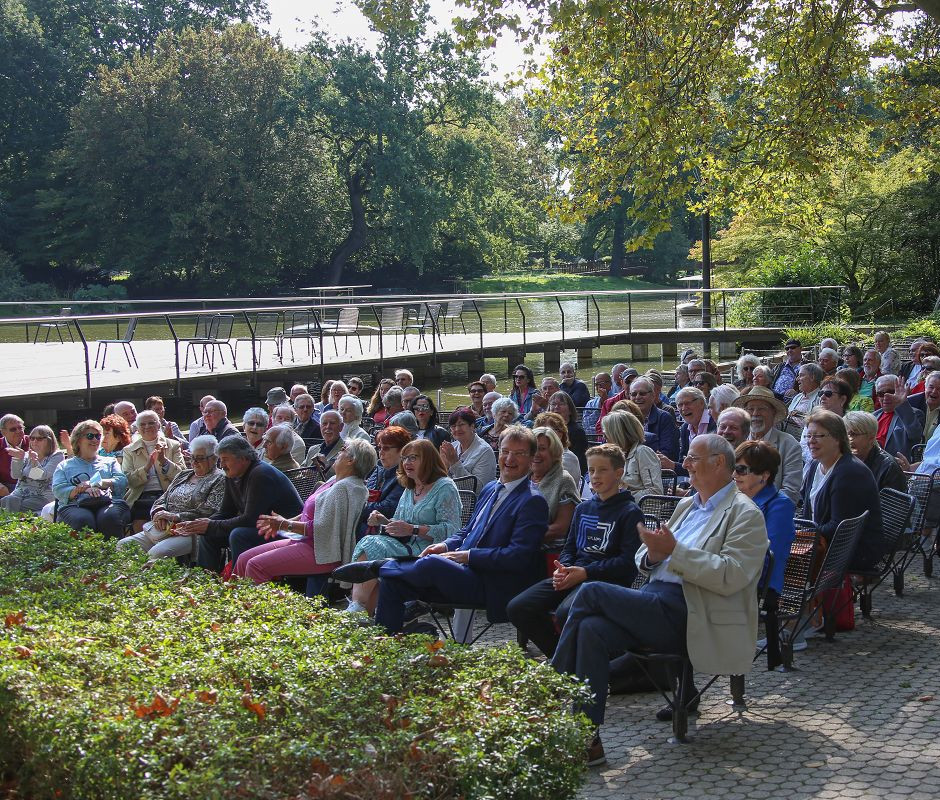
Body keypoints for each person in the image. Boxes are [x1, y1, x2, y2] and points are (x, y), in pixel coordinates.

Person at [551, 434, 768, 766]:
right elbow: (643, 556)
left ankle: (545, 691)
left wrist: (674, 552)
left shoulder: (745, 513)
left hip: (693, 611)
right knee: (591, 628)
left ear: (718, 463)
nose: (685, 465)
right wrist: (653, 555)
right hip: (653, 603)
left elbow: (733, 575)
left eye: (693, 459)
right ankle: (587, 737)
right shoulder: (687, 504)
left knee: (592, 591)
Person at [334, 426, 549, 634]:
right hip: (461, 571)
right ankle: (386, 646)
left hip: (490, 581)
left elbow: (518, 556)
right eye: (505, 452)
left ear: (531, 459)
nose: (510, 459)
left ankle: (379, 568)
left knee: (431, 563)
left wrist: (466, 556)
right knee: (393, 582)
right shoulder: (491, 489)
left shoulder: (532, 501)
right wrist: (445, 545)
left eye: (519, 454)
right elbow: (466, 532)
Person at [507, 444, 643, 658]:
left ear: (618, 473)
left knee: (565, 612)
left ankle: (575, 662)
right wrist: (565, 567)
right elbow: (569, 547)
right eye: (591, 470)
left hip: (604, 582)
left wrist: (586, 573)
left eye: (602, 470)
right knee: (518, 607)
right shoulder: (583, 508)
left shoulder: (630, 512)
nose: (595, 476)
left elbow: (627, 562)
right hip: (574, 574)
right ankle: (562, 658)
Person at [233, 439, 375, 584]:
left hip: (321, 551)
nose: (339, 452)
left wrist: (284, 524)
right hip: (304, 541)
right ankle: (230, 601)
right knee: (243, 559)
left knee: (255, 566)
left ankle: (254, 605)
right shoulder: (334, 480)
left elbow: (322, 528)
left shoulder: (345, 488)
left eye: (343, 449)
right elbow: (312, 512)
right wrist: (286, 521)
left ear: (351, 460)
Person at [346, 439, 462, 614]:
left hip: (430, 552)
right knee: (372, 548)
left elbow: (451, 531)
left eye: (413, 458)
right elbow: (400, 523)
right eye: (405, 458)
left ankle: (357, 607)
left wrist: (413, 529)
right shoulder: (410, 488)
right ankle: (362, 614)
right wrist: (383, 521)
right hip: (405, 547)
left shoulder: (445, 487)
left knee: (371, 545)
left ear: (429, 460)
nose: (407, 463)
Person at [180, 435, 303, 571]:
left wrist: (211, 525)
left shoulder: (260, 474)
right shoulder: (232, 474)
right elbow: (226, 512)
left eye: (225, 459)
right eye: (220, 460)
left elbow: (250, 519)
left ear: (243, 458)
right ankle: (206, 579)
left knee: (238, 534)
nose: (222, 465)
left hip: (286, 531)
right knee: (209, 534)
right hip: (263, 528)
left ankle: (239, 583)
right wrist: (199, 525)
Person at [116, 435, 226, 560]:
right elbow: (163, 498)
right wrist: (159, 514)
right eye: (192, 457)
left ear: (214, 458)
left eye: (200, 458)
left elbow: (210, 510)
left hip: (190, 530)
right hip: (164, 528)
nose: (194, 462)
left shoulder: (220, 479)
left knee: (156, 554)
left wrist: (176, 517)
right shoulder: (184, 474)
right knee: (123, 545)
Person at [802, 410, 884, 572]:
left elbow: (839, 526)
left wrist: (802, 534)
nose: (811, 441)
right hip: (822, 541)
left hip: (852, 550)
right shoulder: (814, 465)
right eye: (808, 435)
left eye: (818, 436)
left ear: (838, 438)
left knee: (778, 558)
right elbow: (806, 510)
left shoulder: (850, 472)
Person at [731, 440, 795, 607]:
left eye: (741, 470)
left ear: (764, 476)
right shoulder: (735, 498)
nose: (734, 475)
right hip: (732, 573)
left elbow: (770, 555)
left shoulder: (780, 505)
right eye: (733, 468)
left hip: (760, 585)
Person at [52, 420, 130, 538]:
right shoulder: (64, 465)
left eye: (98, 436)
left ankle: (113, 554)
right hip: (75, 505)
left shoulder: (110, 461)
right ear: (78, 440)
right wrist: (82, 489)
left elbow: (122, 482)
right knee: (83, 519)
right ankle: (86, 555)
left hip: (109, 501)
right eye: (90, 436)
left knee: (109, 517)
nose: (95, 440)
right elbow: (58, 490)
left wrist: (98, 483)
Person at [733, 386, 803, 504]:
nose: (755, 413)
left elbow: (791, 492)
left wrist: (758, 510)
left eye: (762, 409)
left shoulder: (789, 445)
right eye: (750, 409)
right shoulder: (737, 442)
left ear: (773, 413)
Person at [121, 409, 186, 526]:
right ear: (137, 428)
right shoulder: (129, 450)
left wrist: (164, 461)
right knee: (140, 517)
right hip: (142, 496)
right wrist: (146, 468)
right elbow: (129, 481)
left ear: (158, 425)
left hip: (168, 493)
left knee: (167, 517)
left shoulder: (173, 445)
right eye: (142, 424)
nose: (147, 426)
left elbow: (183, 476)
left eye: (151, 423)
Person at [530, 427, 581, 545]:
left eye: (542, 449)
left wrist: (525, 538)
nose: (536, 454)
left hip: (548, 552)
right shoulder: (523, 476)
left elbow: (560, 528)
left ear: (554, 453)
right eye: (533, 449)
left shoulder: (563, 481)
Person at [357, 426, 409, 537]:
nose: (381, 453)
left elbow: (387, 508)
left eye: (386, 448)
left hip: (384, 533)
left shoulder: (406, 475)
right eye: (379, 448)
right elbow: (366, 495)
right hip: (365, 525)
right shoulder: (379, 468)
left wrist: (355, 506)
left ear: (402, 450)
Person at [602, 411, 663, 502]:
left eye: (607, 434)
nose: (604, 437)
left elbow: (655, 493)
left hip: (639, 512)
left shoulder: (642, 452)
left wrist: (619, 496)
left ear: (618, 434)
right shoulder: (614, 456)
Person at [0, 425, 64, 512]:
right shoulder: (26, 455)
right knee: (7, 500)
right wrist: (17, 459)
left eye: (39, 439)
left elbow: (42, 475)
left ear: (50, 440)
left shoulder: (57, 456)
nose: (34, 441)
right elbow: (15, 475)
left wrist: (34, 462)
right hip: (20, 494)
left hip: (42, 496)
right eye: (32, 438)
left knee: (14, 506)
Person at [843, 411, 907, 493]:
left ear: (871, 437)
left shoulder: (888, 467)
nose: (849, 439)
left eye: (854, 434)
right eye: (845, 434)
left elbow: (893, 504)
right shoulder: (842, 459)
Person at [657, 387, 714, 479]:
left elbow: (710, 466)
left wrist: (672, 465)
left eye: (688, 403)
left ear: (701, 403)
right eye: (680, 405)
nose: (684, 408)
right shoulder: (685, 428)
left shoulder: (714, 422)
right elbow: (683, 462)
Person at [439, 409, 498, 490]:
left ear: (472, 426)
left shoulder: (485, 451)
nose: (457, 429)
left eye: (461, 424)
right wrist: (444, 467)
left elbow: (478, 489)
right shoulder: (452, 447)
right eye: (453, 426)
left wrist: (454, 463)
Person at [629, 376, 679, 463]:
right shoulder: (625, 419)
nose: (637, 397)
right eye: (634, 394)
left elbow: (668, 453)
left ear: (653, 395)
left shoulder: (665, 418)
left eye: (642, 393)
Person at [874, 375, 924, 460]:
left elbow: (916, 436)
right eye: (881, 394)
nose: (886, 396)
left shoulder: (912, 413)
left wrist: (902, 404)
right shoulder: (873, 416)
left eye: (891, 392)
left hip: (895, 466)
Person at [534, 412, 582, 486]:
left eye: (554, 430)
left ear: (562, 434)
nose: (545, 433)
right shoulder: (531, 455)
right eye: (541, 429)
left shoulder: (568, 458)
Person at [547, 390, 589, 472]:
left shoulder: (577, 432)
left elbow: (580, 464)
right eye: (553, 404)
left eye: (561, 404)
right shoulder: (545, 430)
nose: (556, 407)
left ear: (570, 410)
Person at [304, 410, 345, 476]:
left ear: (341, 427)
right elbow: (300, 470)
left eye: (332, 423)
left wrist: (326, 466)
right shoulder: (313, 449)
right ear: (320, 427)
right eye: (324, 423)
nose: (328, 427)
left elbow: (343, 478)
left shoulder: (346, 451)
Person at [787, 363, 824, 427]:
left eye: (801, 375)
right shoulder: (798, 397)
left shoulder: (822, 398)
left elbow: (821, 423)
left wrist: (802, 416)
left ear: (812, 377)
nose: (797, 379)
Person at [908, 370, 940, 443]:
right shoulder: (911, 403)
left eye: (939, 389)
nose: (934, 391)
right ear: (925, 387)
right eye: (931, 387)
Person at [0, 414, 27, 495]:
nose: (18, 431)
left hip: (30, 487)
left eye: (20, 428)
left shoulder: (34, 442)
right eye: (13, 429)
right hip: (5, 487)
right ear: (3, 432)